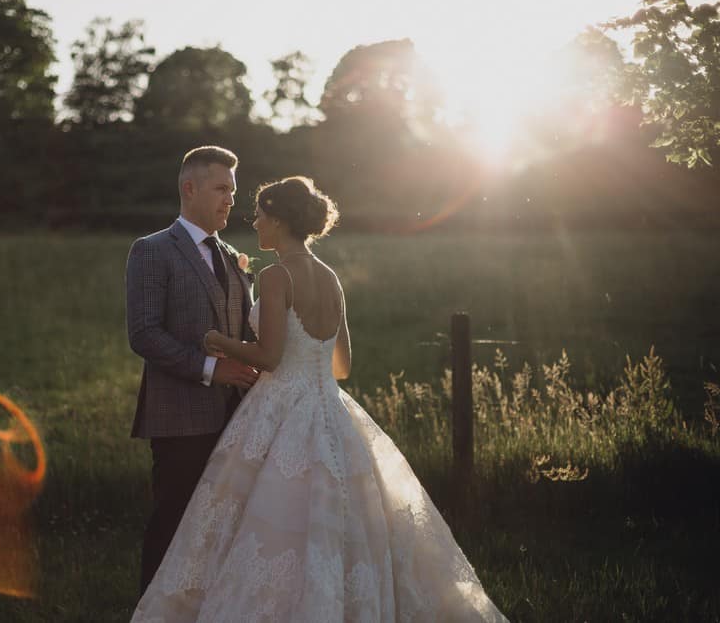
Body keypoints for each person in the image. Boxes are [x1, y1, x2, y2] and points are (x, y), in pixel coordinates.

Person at [132, 176, 508, 621]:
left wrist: (218, 340)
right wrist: (305, 356)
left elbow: (269, 356)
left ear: (278, 220)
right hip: (328, 405)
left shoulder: (275, 276)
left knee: (267, 516)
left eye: (259, 216)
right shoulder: (331, 278)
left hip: (281, 405)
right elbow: (342, 365)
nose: (253, 223)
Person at [126, 145, 259, 596]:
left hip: (239, 418)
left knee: (224, 527)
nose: (230, 200)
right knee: (173, 524)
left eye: (233, 192)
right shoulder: (152, 251)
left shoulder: (233, 257)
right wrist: (210, 369)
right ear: (190, 187)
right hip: (179, 416)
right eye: (222, 188)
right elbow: (143, 333)